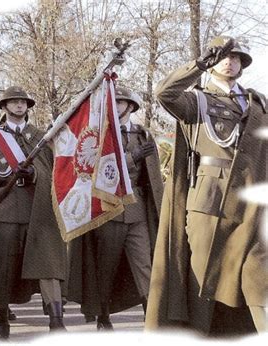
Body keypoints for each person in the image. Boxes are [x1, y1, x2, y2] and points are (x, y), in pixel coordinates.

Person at [146, 36, 267, 335]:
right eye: (224, 56)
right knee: (204, 279)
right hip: (209, 200)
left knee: (255, 274)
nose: (230, 61)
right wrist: (199, 64)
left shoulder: (258, 103)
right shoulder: (196, 101)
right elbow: (164, 93)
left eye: (236, 57)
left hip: (252, 202)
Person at [0, 86, 67, 339]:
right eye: (13, 102)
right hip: (7, 209)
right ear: (4, 107)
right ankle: (2, 319)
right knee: (3, 268)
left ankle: (57, 321)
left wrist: (35, 173)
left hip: (40, 209)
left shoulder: (41, 136)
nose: (19, 106)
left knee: (48, 264)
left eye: (23, 102)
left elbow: (53, 170)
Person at [66, 87, 163, 330]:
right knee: (105, 267)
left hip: (137, 209)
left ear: (130, 107)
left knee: (145, 265)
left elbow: (151, 177)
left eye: (120, 102)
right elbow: (97, 170)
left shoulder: (142, 134)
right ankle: (103, 316)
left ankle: (152, 316)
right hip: (108, 209)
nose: (115, 105)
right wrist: (133, 157)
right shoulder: (99, 135)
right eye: (112, 101)